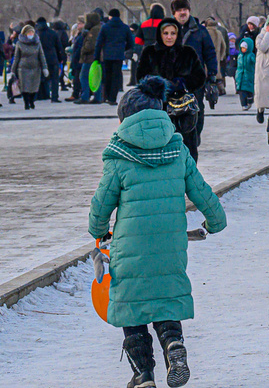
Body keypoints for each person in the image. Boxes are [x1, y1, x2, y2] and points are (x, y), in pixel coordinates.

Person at [89, 76, 227, 388]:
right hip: (171, 246)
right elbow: (201, 191)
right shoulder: (177, 149)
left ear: (126, 118)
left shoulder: (119, 154)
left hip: (130, 248)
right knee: (165, 298)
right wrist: (215, 221)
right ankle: (174, 347)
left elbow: (102, 202)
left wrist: (97, 231)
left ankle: (143, 375)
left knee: (131, 308)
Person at [134, 18, 208, 161]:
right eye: (166, 33)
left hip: (182, 111)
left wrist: (183, 83)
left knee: (186, 151)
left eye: (173, 33)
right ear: (160, 35)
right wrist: (158, 85)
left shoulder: (188, 53)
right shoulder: (150, 52)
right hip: (158, 109)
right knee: (159, 150)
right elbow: (140, 77)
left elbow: (199, 77)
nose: (169, 37)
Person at [171, 0, 219, 158]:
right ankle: (179, 139)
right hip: (174, 80)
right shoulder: (169, 31)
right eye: (179, 10)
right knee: (174, 110)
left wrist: (212, 75)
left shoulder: (200, 31)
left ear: (189, 11)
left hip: (195, 79)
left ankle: (195, 136)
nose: (182, 13)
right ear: (174, 13)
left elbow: (210, 53)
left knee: (197, 109)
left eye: (185, 9)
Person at [94, 9, 134, 106]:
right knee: (116, 76)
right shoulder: (125, 27)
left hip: (107, 55)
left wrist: (96, 57)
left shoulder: (105, 27)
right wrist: (123, 49)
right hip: (119, 55)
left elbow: (98, 43)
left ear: (110, 16)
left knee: (107, 76)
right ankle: (113, 98)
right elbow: (131, 42)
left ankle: (107, 96)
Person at [13, 25, 48, 110]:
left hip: (36, 68)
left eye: (32, 32)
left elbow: (41, 56)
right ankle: (26, 103)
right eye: (29, 32)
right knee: (25, 87)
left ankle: (31, 100)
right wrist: (13, 69)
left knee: (34, 87)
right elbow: (16, 57)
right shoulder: (19, 43)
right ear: (25, 33)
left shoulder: (37, 43)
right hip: (23, 68)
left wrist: (44, 68)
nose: (31, 34)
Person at [35, 17, 65, 103]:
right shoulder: (53, 33)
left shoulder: (36, 34)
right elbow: (59, 47)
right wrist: (60, 59)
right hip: (52, 58)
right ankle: (54, 97)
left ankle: (37, 96)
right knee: (54, 79)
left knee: (38, 78)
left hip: (40, 59)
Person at [76, 11, 104, 104]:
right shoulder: (98, 28)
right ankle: (97, 97)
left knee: (84, 76)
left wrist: (83, 50)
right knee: (96, 77)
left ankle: (85, 96)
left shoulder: (94, 30)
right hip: (96, 57)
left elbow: (91, 44)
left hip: (90, 57)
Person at [235, 37, 256, 110]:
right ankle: (243, 104)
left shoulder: (251, 56)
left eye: (244, 48)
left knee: (249, 91)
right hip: (240, 76)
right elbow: (238, 66)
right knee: (241, 92)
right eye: (242, 48)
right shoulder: (240, 56)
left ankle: (250, 101)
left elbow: (255, 64)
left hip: (249, 76)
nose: (243, 49)